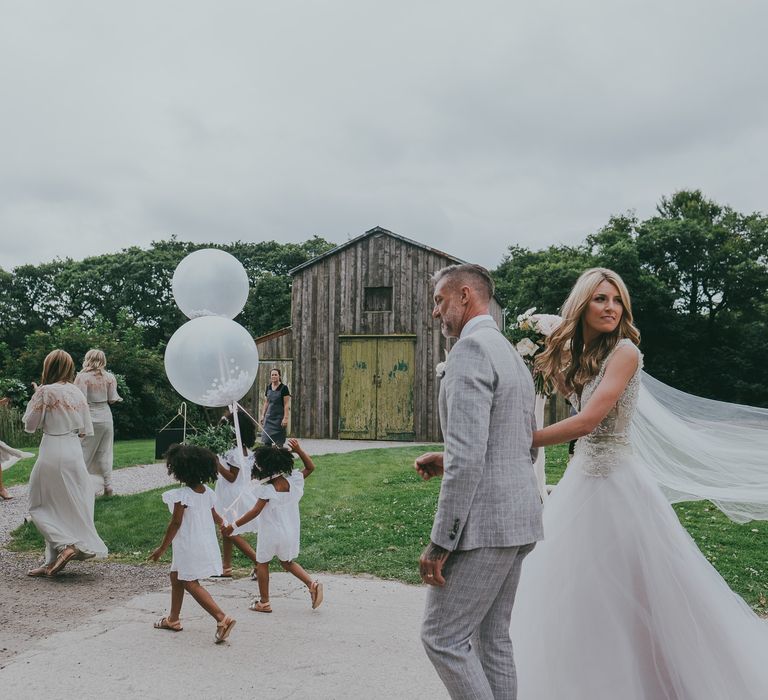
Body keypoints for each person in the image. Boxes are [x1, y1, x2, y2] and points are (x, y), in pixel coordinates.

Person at [511, 267, 768, 698]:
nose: (611, 308)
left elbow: (588, 420)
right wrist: (542, 348)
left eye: (616, 301)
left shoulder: (625, 352)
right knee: (580, 593)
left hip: (617, 486)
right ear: (582, 306)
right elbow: (569, 395)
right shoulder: (582, 358)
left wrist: (520, 439)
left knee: (638, 592)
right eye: (601, 299)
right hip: (581, 482)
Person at [413, 263, 543, 700]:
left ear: (465, 296)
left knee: (442, 638)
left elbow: (470, 458)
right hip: (519, 517)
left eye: (439, 301)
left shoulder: (469, 352)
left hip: (485, 527)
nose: (436, 312)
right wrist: (447, 455)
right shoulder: (508, 352)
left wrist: (440, 543)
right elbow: (521, 444)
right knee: (492, 640)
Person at [22, 349, 108, 576]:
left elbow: (30, 426)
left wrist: (35, 398)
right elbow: (85, 431)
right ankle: (50, 561)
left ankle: (65, 545)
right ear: (69, 368)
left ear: (48, 367)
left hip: (53, 449)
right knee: (60, 504)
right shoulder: (77, 392)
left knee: (37, 504)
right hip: (73, 451)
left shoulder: (45, 391)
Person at [221, 438, 322, 613]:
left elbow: (254, 512)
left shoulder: (267, 490)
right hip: (290, 531)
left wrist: (233, 526)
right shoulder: (295, 482)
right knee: (287, 562)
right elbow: (311, 467)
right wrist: (299, 450)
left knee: (262, 563)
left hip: (271, 533)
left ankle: (264, 602)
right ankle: (311, 583)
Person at [149, 443, 236, 644]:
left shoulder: (182, 496)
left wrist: (162, 548)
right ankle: (173, 619)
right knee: (176, 576)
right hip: (202, 541)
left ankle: (222, 618)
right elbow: (215, 516)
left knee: (190, 582)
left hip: (188, 544)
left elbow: (176, 523)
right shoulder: (207, 492)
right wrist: (224, 523)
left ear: (179, 471)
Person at [214, 410, 259, 577]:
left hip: (231, 494)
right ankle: (226, 567)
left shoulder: (233, 452)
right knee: (225, 528)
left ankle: (257, 561)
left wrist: (216, 463)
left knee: (229, 530)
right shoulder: (243, 450)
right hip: (232, 492)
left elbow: (232, 477)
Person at [75, 349, 122, 496]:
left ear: (88, 359)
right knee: (105, 452)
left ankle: (81, 486)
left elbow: (79, 400)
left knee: (84, 452)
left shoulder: (82, 378)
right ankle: (108, 486)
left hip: (89, 416)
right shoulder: (110, 377)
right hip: (106, 416)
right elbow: (112, 398)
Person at [259, 368, 290, 446]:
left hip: (279, 419)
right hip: (269, 418)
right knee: (266, 441)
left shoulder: (284, 388)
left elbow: (286, 404)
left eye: (276, 374)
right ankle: (267, 457)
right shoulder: (268, 387)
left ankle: (278, 457)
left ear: (279, 376)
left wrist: (285, 418)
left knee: (279, 443)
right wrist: (263, 415)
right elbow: (266, 402)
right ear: (270, 376)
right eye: (272, 375)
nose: (274, 376)